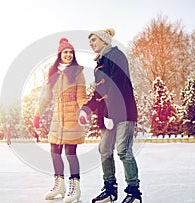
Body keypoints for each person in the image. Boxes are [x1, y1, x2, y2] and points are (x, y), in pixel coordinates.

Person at [80, 28, 142, 203]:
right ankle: (110, 190)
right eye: (90, 41)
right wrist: (86, 108)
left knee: (123, 151)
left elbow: (118, 86)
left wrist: (111, 114)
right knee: (105, 150)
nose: (91, 43)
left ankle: (134, 192)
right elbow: (98, 93)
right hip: (107, 115)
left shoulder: (116, 56)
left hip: (123, 112)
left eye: (94, 40)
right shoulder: (99, 64)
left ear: (104, 40)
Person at [33, 38, 88, 203]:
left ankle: (75, 188)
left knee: (71, 153)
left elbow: (81, 96)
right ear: (60, 54)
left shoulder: (77, 72)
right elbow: (46, 97)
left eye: (71, 52)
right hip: (58, 117)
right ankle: (59, 185)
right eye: (66, 52)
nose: (69, 55)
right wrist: (37, 114)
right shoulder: (53, 73)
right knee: (54, 152)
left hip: (72, 116)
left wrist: (84, 110)